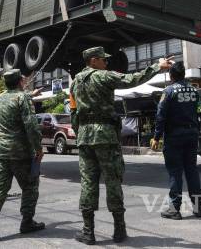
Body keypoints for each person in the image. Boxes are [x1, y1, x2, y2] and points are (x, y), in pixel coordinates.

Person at [69, 46, 174, 245]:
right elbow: (131, 79)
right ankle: (119, 229)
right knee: (113, 180)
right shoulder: (103, 76)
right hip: (106, 135)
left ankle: (88, 231)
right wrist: (157, 67)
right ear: (93, 61)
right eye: (103, 59)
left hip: (84, 137)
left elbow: (74, 113)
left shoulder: (75, 82)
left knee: (88, 183)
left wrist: (80, 132)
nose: (106, 62)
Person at [0, 69, 45, 242]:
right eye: (22, 79)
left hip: (1, 151)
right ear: (20, 81)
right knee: (30, 186)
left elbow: (14, 99)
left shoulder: (1, 97)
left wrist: (30, 94)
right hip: (20, 151)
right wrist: (38, 148)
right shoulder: (22, 98)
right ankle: (27, 222)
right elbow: (31, 125)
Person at [151, 61, 201, 220]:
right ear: (184, 75)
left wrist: (156, 137)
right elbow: (199, 112)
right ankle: (198, 207)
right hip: (192, 134)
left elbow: (160, 116)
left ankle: (174, 209)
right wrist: (195, 130)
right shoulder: (194, 91)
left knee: (175, 172)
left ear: (171, 76)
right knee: (192, 170)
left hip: (174, 136)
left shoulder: (168, 91)